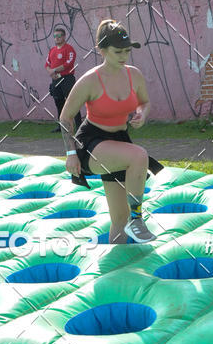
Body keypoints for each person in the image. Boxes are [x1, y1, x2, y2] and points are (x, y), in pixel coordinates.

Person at [59, 19, 163, 244]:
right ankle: (138, 219)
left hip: (119, 140)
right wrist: (70, 154)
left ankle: (120, 269)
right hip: (92, 142)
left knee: (118, 219)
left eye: (127, 51)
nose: (124, 56)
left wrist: (141, 115)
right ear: (102, 50)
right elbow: (65, 117)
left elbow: (144, 103)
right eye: (118, 52)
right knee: (139, 155)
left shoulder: (134, 75)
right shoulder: (90, 81)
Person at [45, 27, 81, 132]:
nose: (57, 38)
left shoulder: (69, 49)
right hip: (56, 80)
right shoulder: (52, 50)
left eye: (59, 36)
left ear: (64, 36)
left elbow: (68, 63)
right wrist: (51, 73)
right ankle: (62, 126)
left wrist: (54, 70)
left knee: (72, 102)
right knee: (58, 102)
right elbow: (47, 64)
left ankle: (79, 125)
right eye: (55, 36)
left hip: (67, 79)